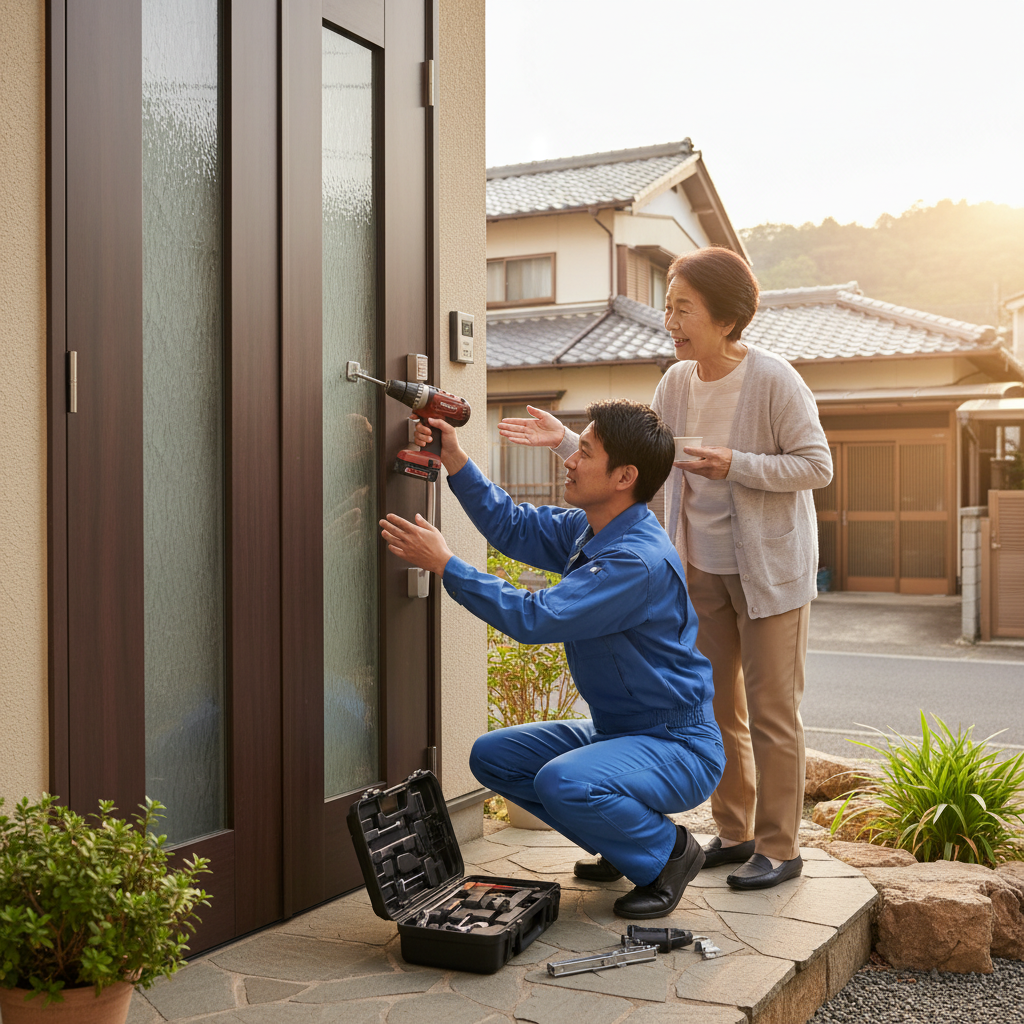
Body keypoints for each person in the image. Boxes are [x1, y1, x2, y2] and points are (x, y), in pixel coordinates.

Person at [498, 246, 833, 890]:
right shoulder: (675, 382)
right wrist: (569, 442)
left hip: (769, 574)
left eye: (684, 309)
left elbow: (817, 466)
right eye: (669, 306)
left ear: (728, 319)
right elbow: (641, 462)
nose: (671, 321)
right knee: (716, 706)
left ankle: (781, 845)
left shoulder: (774, 379)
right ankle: (733, 833)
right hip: (698, 567)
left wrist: (736, 464)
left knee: (771, 710)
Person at [380, 399, 725, 919]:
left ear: (623, 477)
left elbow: (535, 618)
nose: (568, 458)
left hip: (676, 744)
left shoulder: (634, 560)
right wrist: (454, 457)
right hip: (619, 733)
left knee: (563, 781)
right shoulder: (592, 529)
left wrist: (447, 565)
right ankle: (620, 843)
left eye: (584, 451)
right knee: (492, 757)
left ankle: (667, 855)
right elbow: (513, 525)